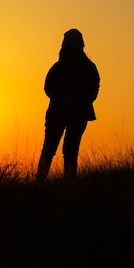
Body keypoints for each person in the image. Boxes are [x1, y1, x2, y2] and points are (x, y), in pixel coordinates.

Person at [36, 28, 100, 182]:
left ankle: (68, 183)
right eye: (70, 50)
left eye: (75, 50)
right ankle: (39, 182)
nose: (72, 53)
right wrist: (62, 99)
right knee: (50, 148)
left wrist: (83, 100)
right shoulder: (58, 69)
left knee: (70, 150)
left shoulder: (87, 69)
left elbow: (94, 88)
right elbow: (48, 87)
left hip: (77, 115)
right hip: (58, 114)